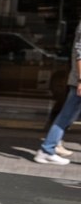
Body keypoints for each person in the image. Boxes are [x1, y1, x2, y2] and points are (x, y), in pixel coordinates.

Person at [35, 23, 81, 165]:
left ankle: (48, 148)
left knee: (67, 116)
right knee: (66, 116)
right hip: (78, 80)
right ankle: (47, 149)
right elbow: (80, 52)